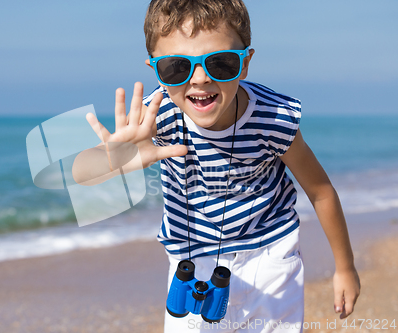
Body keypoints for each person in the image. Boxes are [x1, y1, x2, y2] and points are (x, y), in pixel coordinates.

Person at [79, 0, 360, 331]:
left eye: (221, 64)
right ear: (155, 68)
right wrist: (114, 156)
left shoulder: (272, 118)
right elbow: (81, 174)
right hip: (190, 261)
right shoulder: (156, 115)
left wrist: (345, 266)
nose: (199, 79)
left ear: (245, 63)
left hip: (269, 258)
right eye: (177, 67)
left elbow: (320, 190)